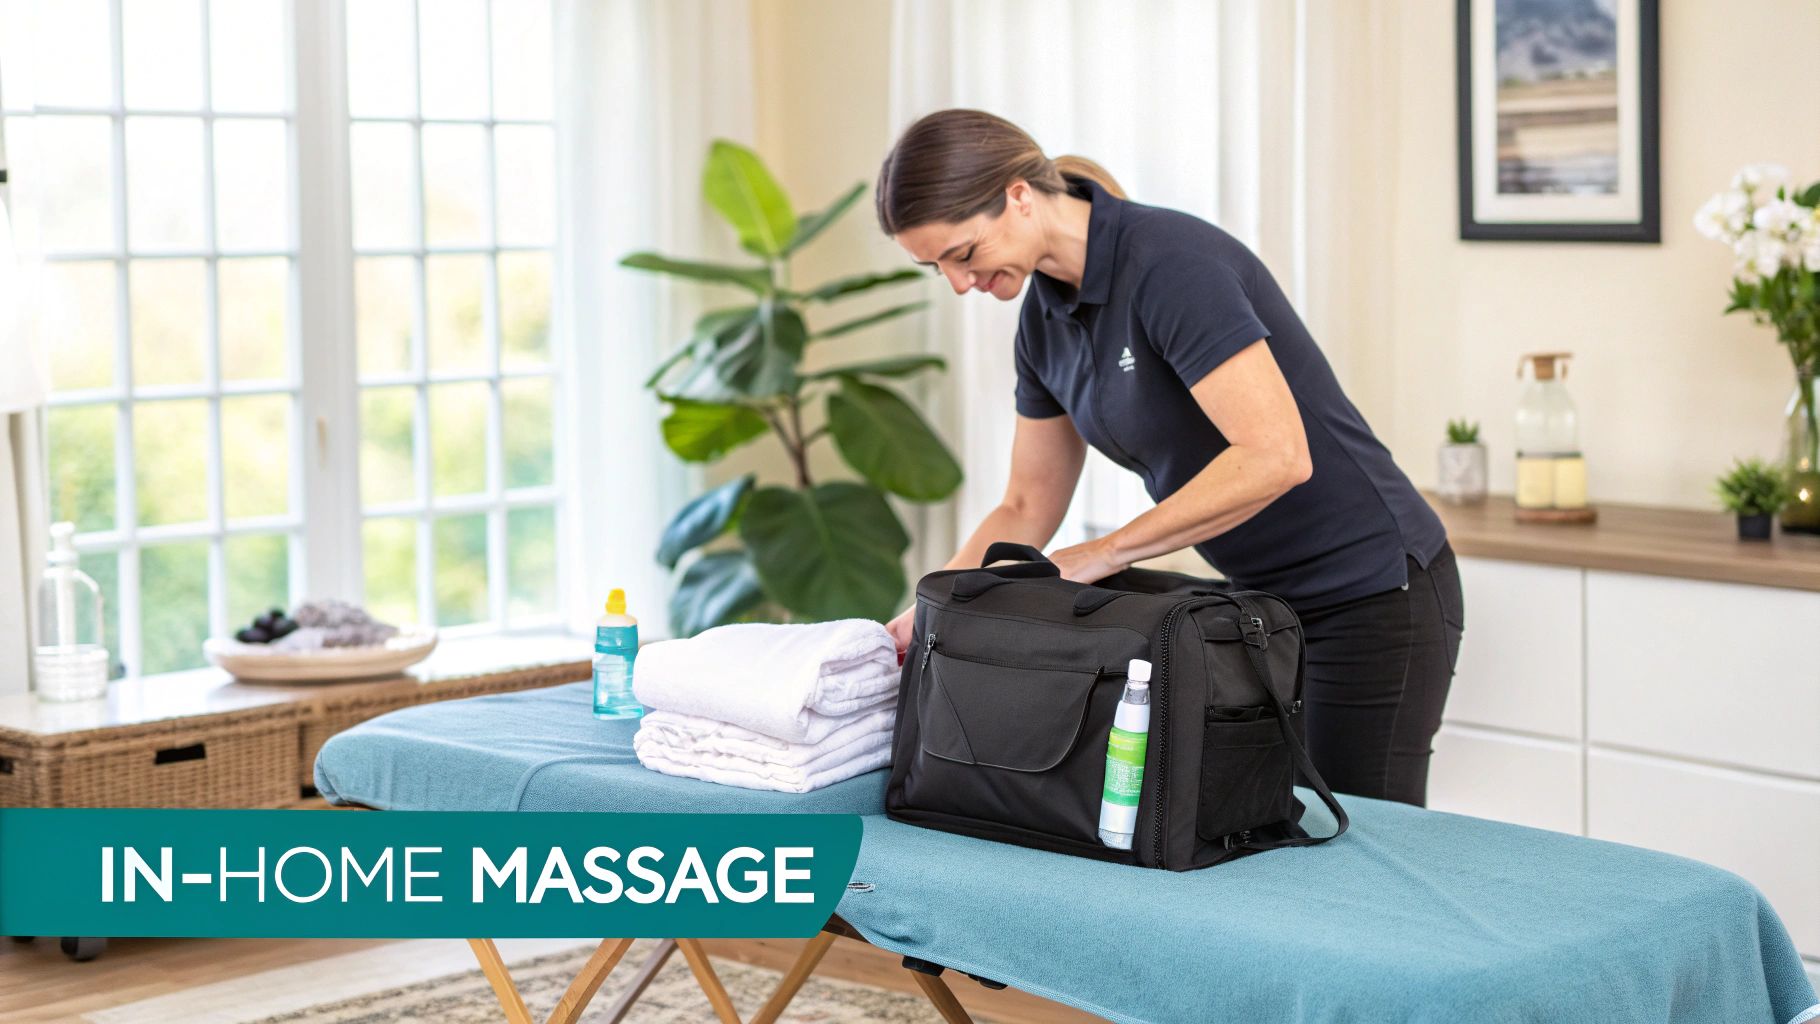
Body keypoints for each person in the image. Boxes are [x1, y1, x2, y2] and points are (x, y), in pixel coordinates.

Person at [873, 109, 1463, 807]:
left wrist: (1102, 554)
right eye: (936, 266)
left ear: (1019, 196)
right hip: (1264, 607)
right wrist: (935, 605)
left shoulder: (1169, 264)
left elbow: (1277, 455)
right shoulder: (1044, 321)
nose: (958, 282)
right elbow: (1027, 502)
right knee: (1275, 843)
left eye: (963, 254)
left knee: (1367, 850)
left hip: (1372, 591)